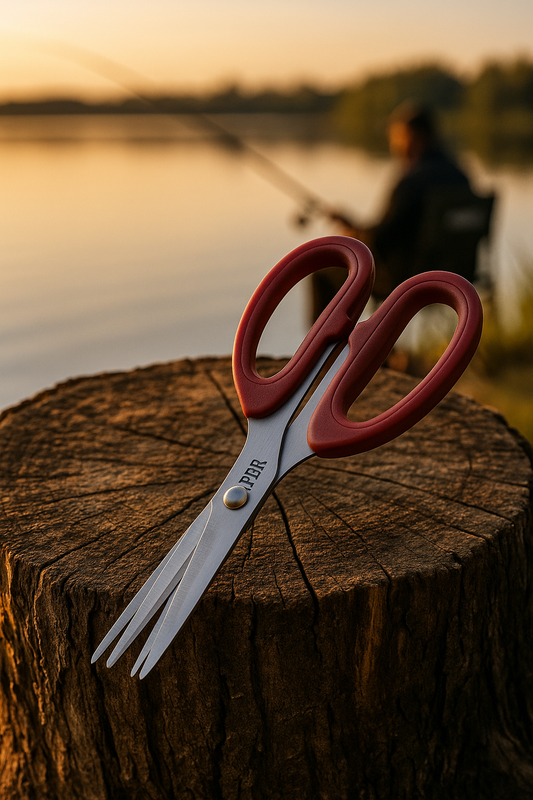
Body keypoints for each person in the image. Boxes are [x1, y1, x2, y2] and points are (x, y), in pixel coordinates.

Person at [318, 101, 472, 310]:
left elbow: (380, 239)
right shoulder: (460, 175)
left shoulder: (411, 181)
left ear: (415, 137)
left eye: (397, 137)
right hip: (459, 274)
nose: (394, 146)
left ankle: (330, 332)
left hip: (409, 277)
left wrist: (353, 231)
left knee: (324, 271)